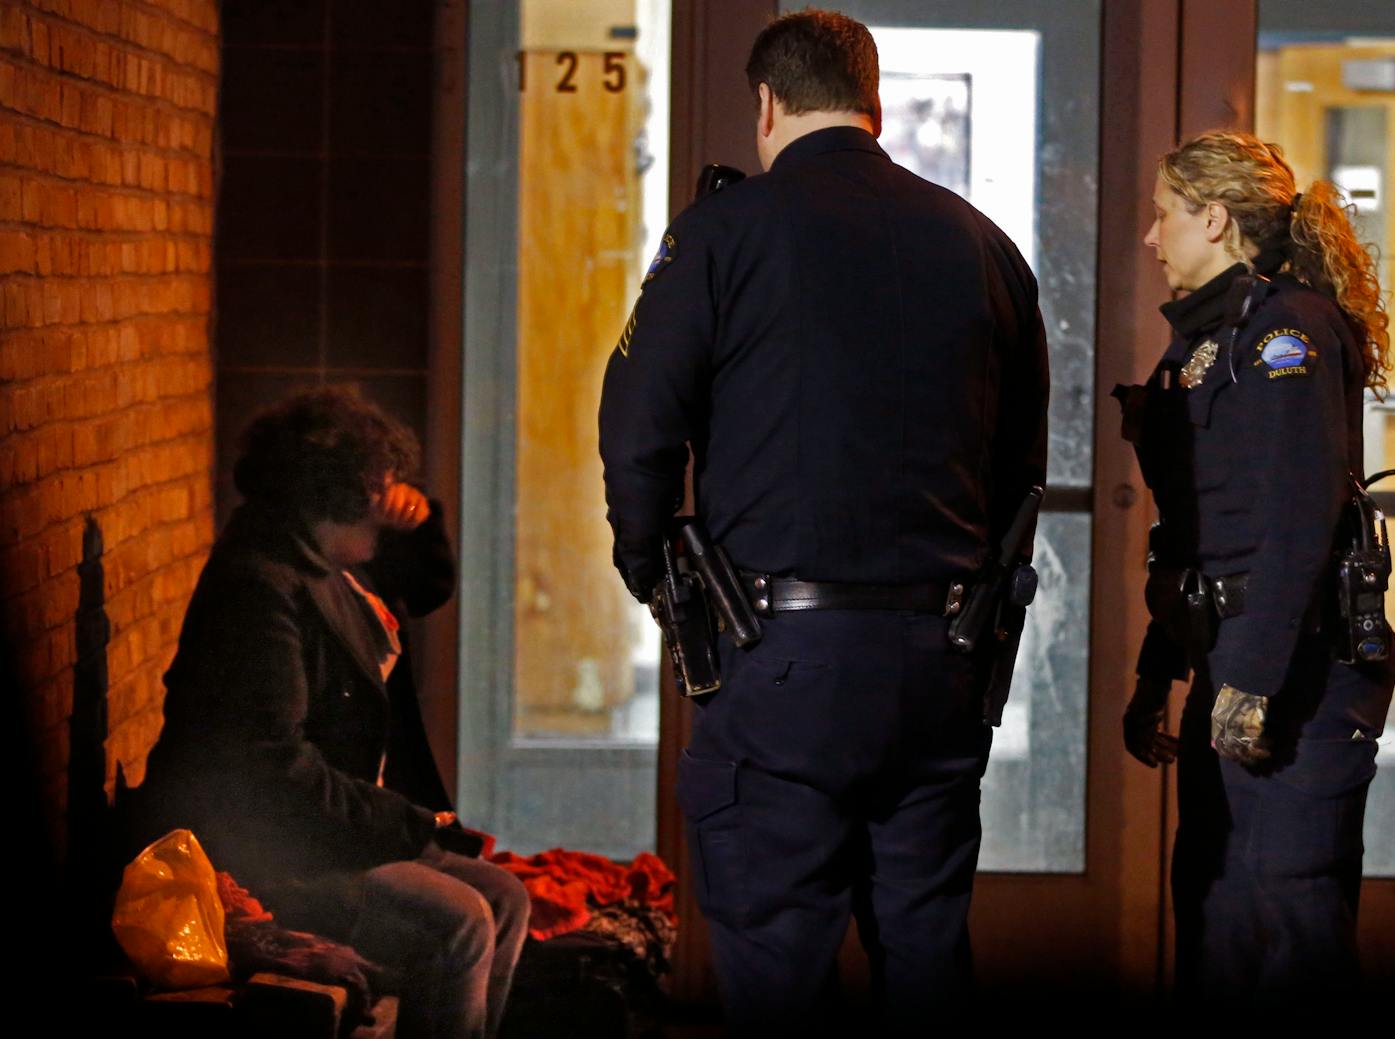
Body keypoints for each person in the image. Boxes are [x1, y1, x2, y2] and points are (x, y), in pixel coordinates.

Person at [598, 10, 1049, 1030]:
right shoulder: (981, 245)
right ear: (871, 101)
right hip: (939, 660)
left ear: (764, 104)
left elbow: (635, 426)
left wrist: (650, 569)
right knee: (926, 950)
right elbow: (1021, 466)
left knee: (774, 962)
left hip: (779, 658)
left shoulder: (721, 235)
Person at [137, 387, 529, 1039]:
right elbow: (272, 770)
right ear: (336, 496)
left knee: (506, 896)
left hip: (321, 829)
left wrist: (422, 518)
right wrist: (408, 822)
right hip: (263, 850)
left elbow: (420, 581)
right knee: (459, 919)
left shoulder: (312, 557)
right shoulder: (260, 587)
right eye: (377, 491)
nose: (387, 507)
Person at [1120, 130, 1395, 1009]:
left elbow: (1294, 519)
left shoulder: (1288, 334)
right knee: (1217, 916)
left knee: (1290, 921)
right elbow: (1194, 532)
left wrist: (1252, 684)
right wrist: (1159, 672)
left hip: (1298, 678)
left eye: (1164, 215)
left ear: (1214, 216)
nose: (1152, 237)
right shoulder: (1211, 338)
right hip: (1235, 661)